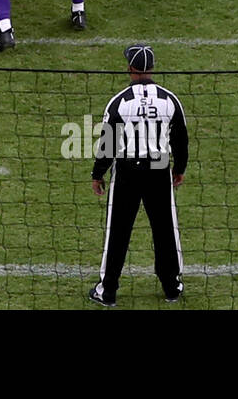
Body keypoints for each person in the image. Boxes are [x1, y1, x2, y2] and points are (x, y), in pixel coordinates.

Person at [90, 44, 188, 307]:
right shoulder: (170, 99)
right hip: (158, 169)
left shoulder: (120, 101)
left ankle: (107, 290)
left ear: (130, 69)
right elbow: (180, 139)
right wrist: (179, 169)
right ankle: (171, 287)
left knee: (118, 231)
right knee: (165, 229)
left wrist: (97, 174)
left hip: (127, 171)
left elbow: (107, 143)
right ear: (152, 68)